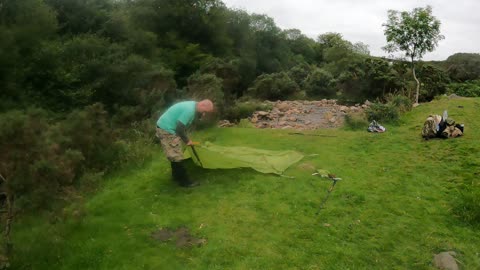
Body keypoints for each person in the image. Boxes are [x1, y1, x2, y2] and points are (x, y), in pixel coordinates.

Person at [156, 99, 214, 187]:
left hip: (167, 127)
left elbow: (182, 125)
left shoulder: (193, 106)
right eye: (204, 111)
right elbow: (180, 128)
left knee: (174, 153)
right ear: (202, 105)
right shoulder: (190, 110)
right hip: (167, 129)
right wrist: (187, 141)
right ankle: (185, 181)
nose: (204, 114)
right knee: (177, 155)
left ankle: (176, 176)